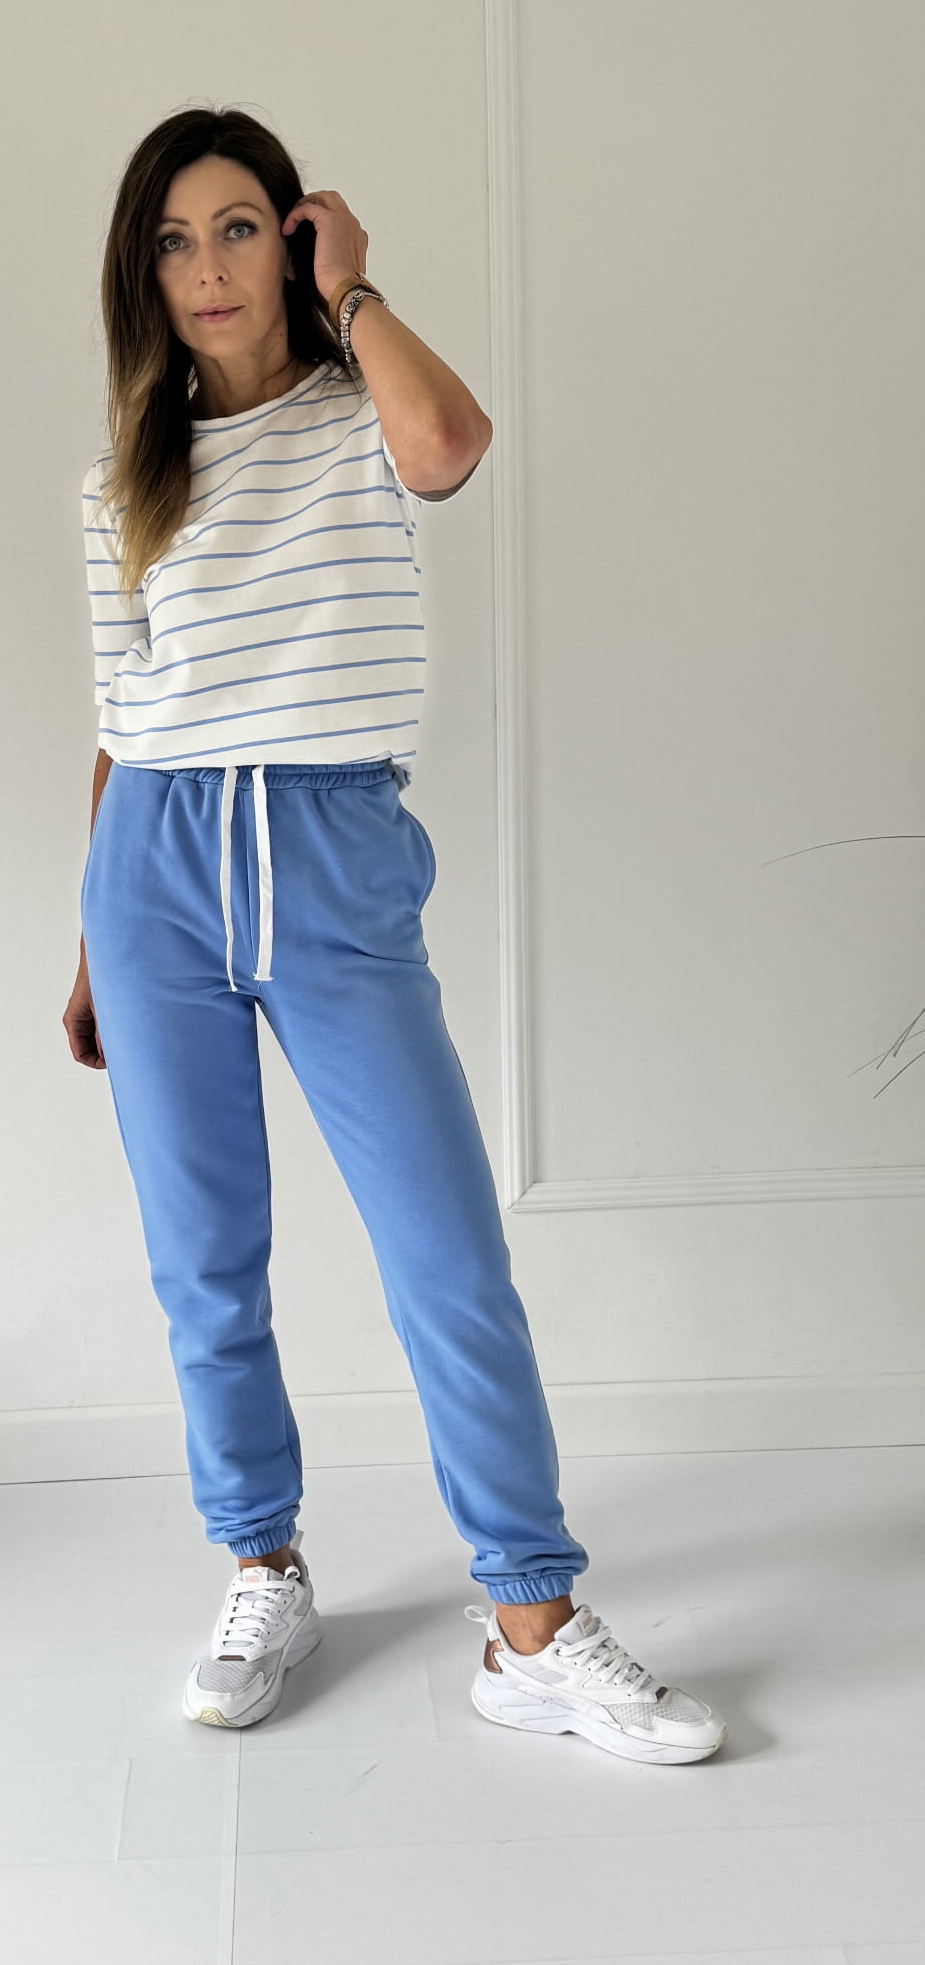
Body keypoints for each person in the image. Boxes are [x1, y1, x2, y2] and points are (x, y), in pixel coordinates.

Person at [64, 108, 727, 1766]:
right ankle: (262, 1566)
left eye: (238, 227)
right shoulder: (122, 478)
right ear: (142, 274)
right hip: (152, 868)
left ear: (291, 237)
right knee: (205, 1260)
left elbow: (451, 448)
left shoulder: (362, 405)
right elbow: (122, 717)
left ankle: (530, 1622)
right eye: (172, 240)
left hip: (333, 854)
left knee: (446, 1255)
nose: (207, 268)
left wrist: (354, 292)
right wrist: (88, 938)